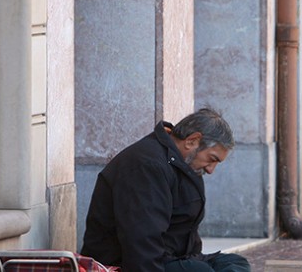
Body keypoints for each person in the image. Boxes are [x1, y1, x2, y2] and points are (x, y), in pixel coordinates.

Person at [81, 108, 251, 272]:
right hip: (131, 263)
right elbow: (141, 241)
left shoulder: (185, 163)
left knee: (234, 264)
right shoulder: (146, 165)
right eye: (211, 159)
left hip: (173, 257)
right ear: (192, 141)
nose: (211, 170)